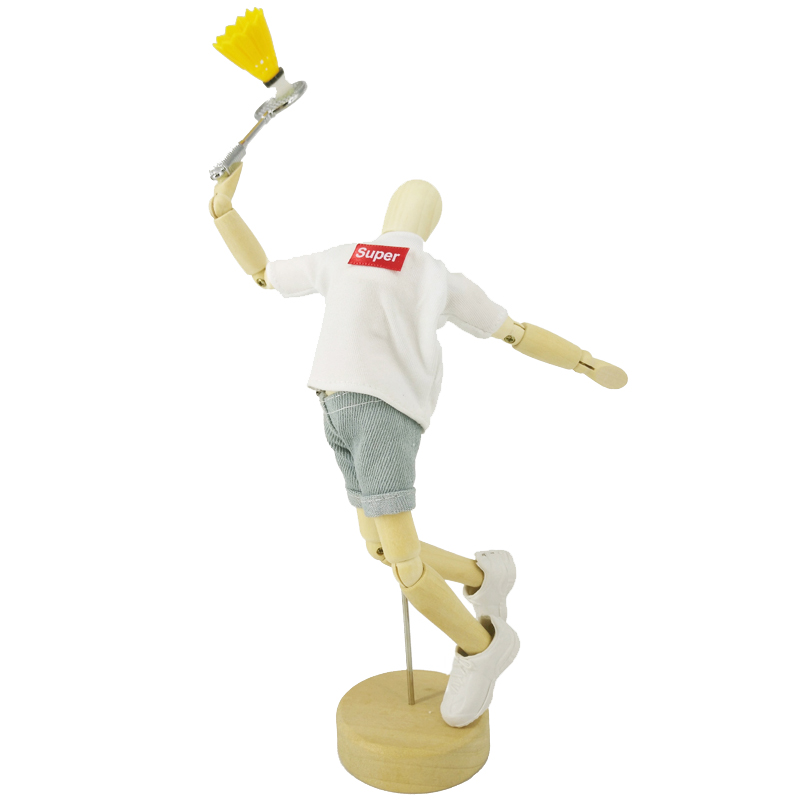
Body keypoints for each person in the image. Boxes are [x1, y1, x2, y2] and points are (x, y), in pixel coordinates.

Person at [209, 163, 626, 726]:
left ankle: (484, 647)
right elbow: (516, 332)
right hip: (334, 409)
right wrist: (224, 209)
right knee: (380, 547)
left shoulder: (402, 269)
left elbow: (262, 274)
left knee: (404, 562)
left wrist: (585, 363)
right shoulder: (375, 262)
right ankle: (484, 577)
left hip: (383, 415)